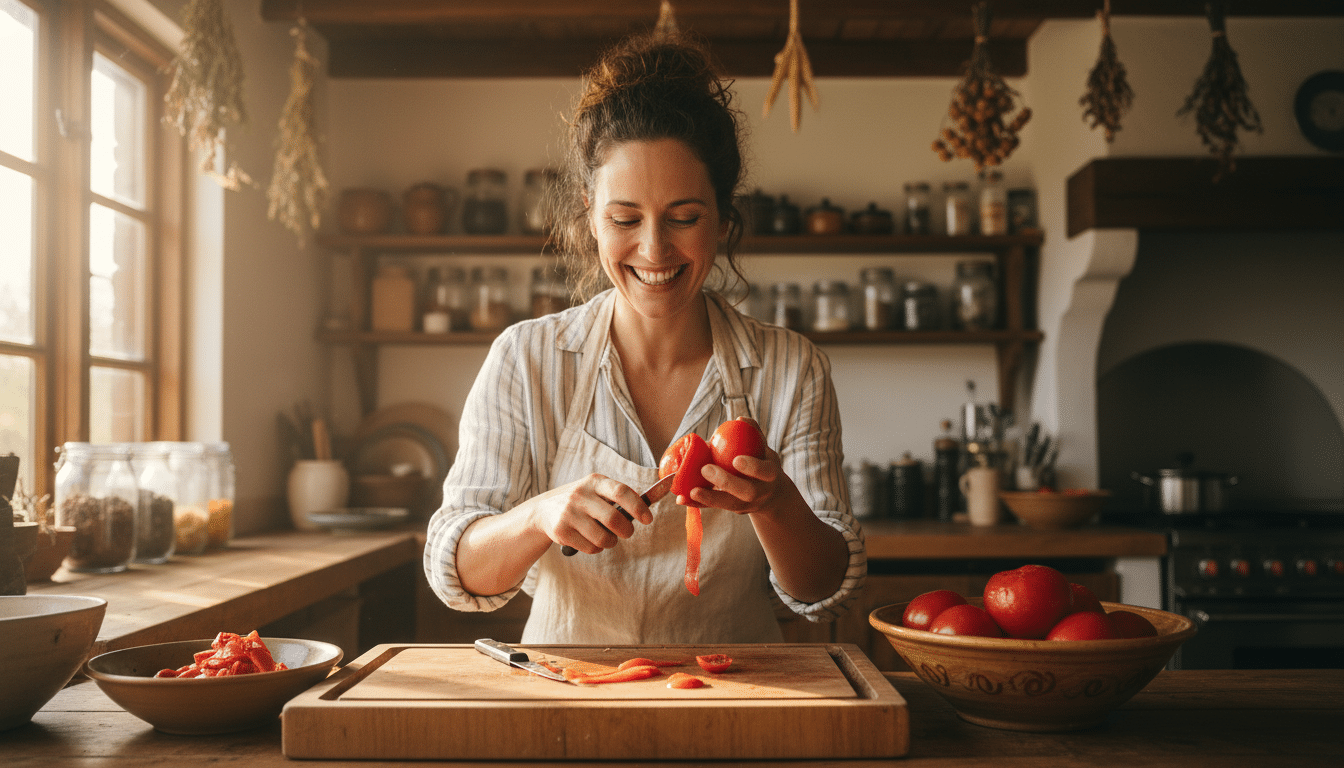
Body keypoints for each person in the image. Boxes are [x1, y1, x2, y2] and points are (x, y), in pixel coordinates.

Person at [424, 32, 865, 644]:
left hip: (737, 687)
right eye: (624, 219)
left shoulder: (791, 367)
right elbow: (459, 574)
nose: (654, 249)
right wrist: (538, 516)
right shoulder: (527, 359)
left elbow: (823, 591)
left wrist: (775, 504)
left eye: (684, 217)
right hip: (568, 687)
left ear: (723, 217)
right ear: (590, 215)